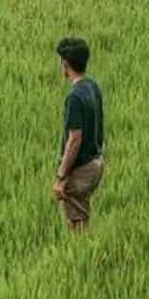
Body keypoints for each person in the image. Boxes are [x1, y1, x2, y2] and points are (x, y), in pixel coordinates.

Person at [52, 37, 104, 232]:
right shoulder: (93, 86)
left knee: (77, 226)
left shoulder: (74, 98)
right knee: (82, 217)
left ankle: (82, 259)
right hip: (96, 162)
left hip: (81, 169)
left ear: (65, 65)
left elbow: (74, 139)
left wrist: (61, 176)